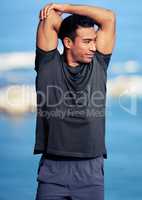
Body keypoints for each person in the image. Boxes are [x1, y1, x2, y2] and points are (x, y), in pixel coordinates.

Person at [34, 3, 116, 200]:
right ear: (68, 43)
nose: (94, 47)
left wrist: (66, 6)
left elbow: (109, 18)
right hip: (53, 171)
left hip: (91, 172)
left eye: (94, 40)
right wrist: (54, 11)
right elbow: (50, 17)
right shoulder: (47, 63)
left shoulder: (99, 63)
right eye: (87, 41)